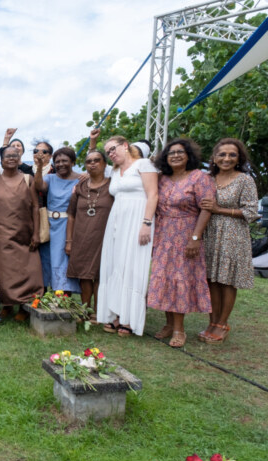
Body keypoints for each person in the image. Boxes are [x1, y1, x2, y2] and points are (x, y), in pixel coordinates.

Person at [147, 139, 215, 348]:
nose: (175, 156)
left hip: (186, 234)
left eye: (180, 152)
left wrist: (195, 238)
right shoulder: (161, 179)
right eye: (171, 153)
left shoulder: (199, 177)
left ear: (188, 156)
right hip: (163, 234)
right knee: (165, 279)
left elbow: (206, 209)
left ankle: (179, 329)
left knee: (180, 280)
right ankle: (168, 324)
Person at [97, 135, 159, 337]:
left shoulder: (144, 164)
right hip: (117, 220)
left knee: (132, 266)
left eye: (113, 148)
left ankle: (130, 319)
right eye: (108, 152)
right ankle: (115, 313)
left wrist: (146, 223)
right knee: (116, 265)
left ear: (125, 146)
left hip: (138, 218)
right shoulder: (114, 171)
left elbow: (153, 195)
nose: (111, 153)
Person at [199, 138, 260, 344]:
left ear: (238, 158)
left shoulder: (244, 180)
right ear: (214, 158)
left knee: (226, 280)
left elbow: (251, 212)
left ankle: (222, 324)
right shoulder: (207, 178)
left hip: (233, 235)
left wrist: (219, 210)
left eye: (232, 155)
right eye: (222, 154)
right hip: (209, 233)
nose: (226, 158)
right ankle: (212, 322)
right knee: (211, 279)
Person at [0, 146, 43, 320]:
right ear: (2, 161)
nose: (11, 158)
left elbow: (35, 206)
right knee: (3, 271)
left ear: (19, 158)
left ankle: (25, 308)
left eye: (14, 155)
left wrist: (36, 233)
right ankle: (8, 305)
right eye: (7, 156)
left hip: (24, 232)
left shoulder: (28, 179)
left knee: (29, 269)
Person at [65, 149, 114, 318]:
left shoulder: (112, 186)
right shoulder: (79, 188)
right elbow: (71, 214)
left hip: (104, 237)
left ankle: (99, 311)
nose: (92, 163)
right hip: (82, 236)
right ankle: (85, 309)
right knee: (84, 275)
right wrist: (69, 241)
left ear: (105, 164)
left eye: (97, 160)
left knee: (100, 274)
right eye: (89, 161)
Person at [34, 147, 81, 294]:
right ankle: (47, 292)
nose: (61, 164)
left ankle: (63, 293)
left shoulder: (81, 179)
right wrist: (40, 166)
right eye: (57, 161)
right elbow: (38, 185)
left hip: (68, 225)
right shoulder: (50, 178)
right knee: (47, 259)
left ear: (73, 162)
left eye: (64, 161)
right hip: (49, 225)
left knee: (63, 260)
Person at [32, 141, 54, 289]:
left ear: (50, 156)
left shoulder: (56, 171)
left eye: (44, 151)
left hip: (48, 218)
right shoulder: (24, 170)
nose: (39, 154)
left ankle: (45, 289)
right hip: (27, 217)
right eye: (36, 150)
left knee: (45, 255)